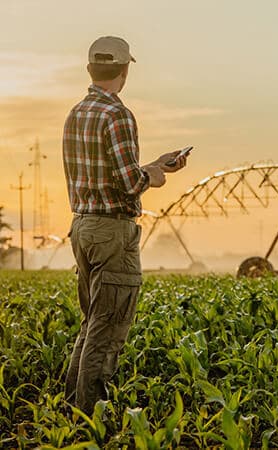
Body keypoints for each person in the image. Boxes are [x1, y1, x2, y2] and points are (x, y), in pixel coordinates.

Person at [62, 36, 188, 415]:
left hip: (83, 226)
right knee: (109, 327)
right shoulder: (117, 115)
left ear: (90, 69)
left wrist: (150, 165)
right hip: (112, 231)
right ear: (124, 70)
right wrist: (153, 176)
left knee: (92, 324)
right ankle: (92, 418)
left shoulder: (77, 113)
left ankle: (71, 410)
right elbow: (129, 183)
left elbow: (104, 173)